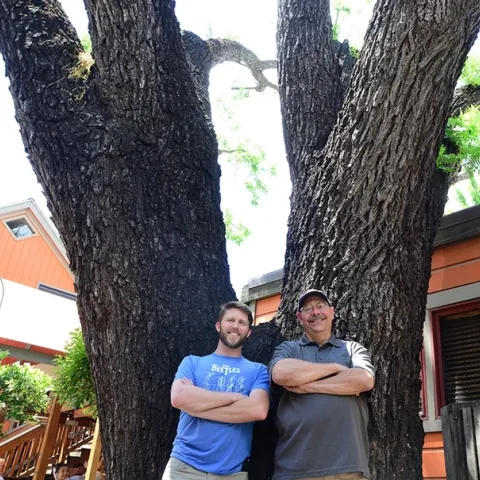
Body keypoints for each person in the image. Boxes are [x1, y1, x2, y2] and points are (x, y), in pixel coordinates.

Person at [270, 289, 375, 480]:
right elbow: (281, 373)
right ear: (299, 317)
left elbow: (364, 380)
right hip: (295, 469)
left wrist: (308, 386)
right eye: (308, 309)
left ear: (332, 312)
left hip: (348, 468)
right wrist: (336, 367)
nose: (315, 312)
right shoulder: (289, 349)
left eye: (320, 306)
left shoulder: (352, 349)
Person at [162, 301, 270, 480]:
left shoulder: (258, 370)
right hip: (183, 466)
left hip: (231, 473)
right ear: (218, 325)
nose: (235, 326)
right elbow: (179, 397)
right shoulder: (192, 362)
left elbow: (258, 410)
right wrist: (236, 397)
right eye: (230, 320)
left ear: (249, 332)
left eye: (242, 323)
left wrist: (196, 406)